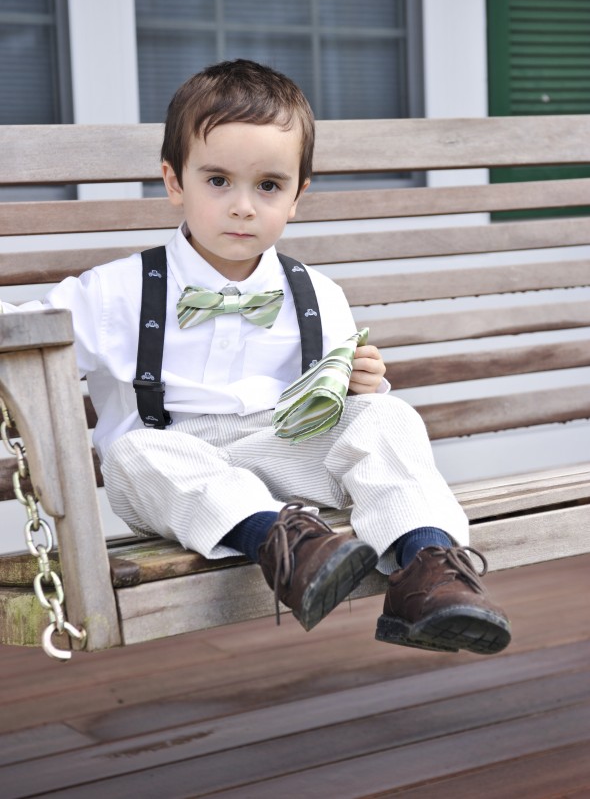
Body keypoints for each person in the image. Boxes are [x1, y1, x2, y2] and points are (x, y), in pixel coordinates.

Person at [0, 59, 511, 654]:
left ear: (297, 196)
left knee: (391, 419)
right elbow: (23, 327)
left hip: (281, 448)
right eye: (218, 181)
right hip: (176, 467)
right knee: (132, 449)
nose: (243, 206)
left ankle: (428, 572)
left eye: (268, 185)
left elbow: (342, 411)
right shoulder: (116, 291)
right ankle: (287, 547)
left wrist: (360, 389)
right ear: (174, 182)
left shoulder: (318, 295)